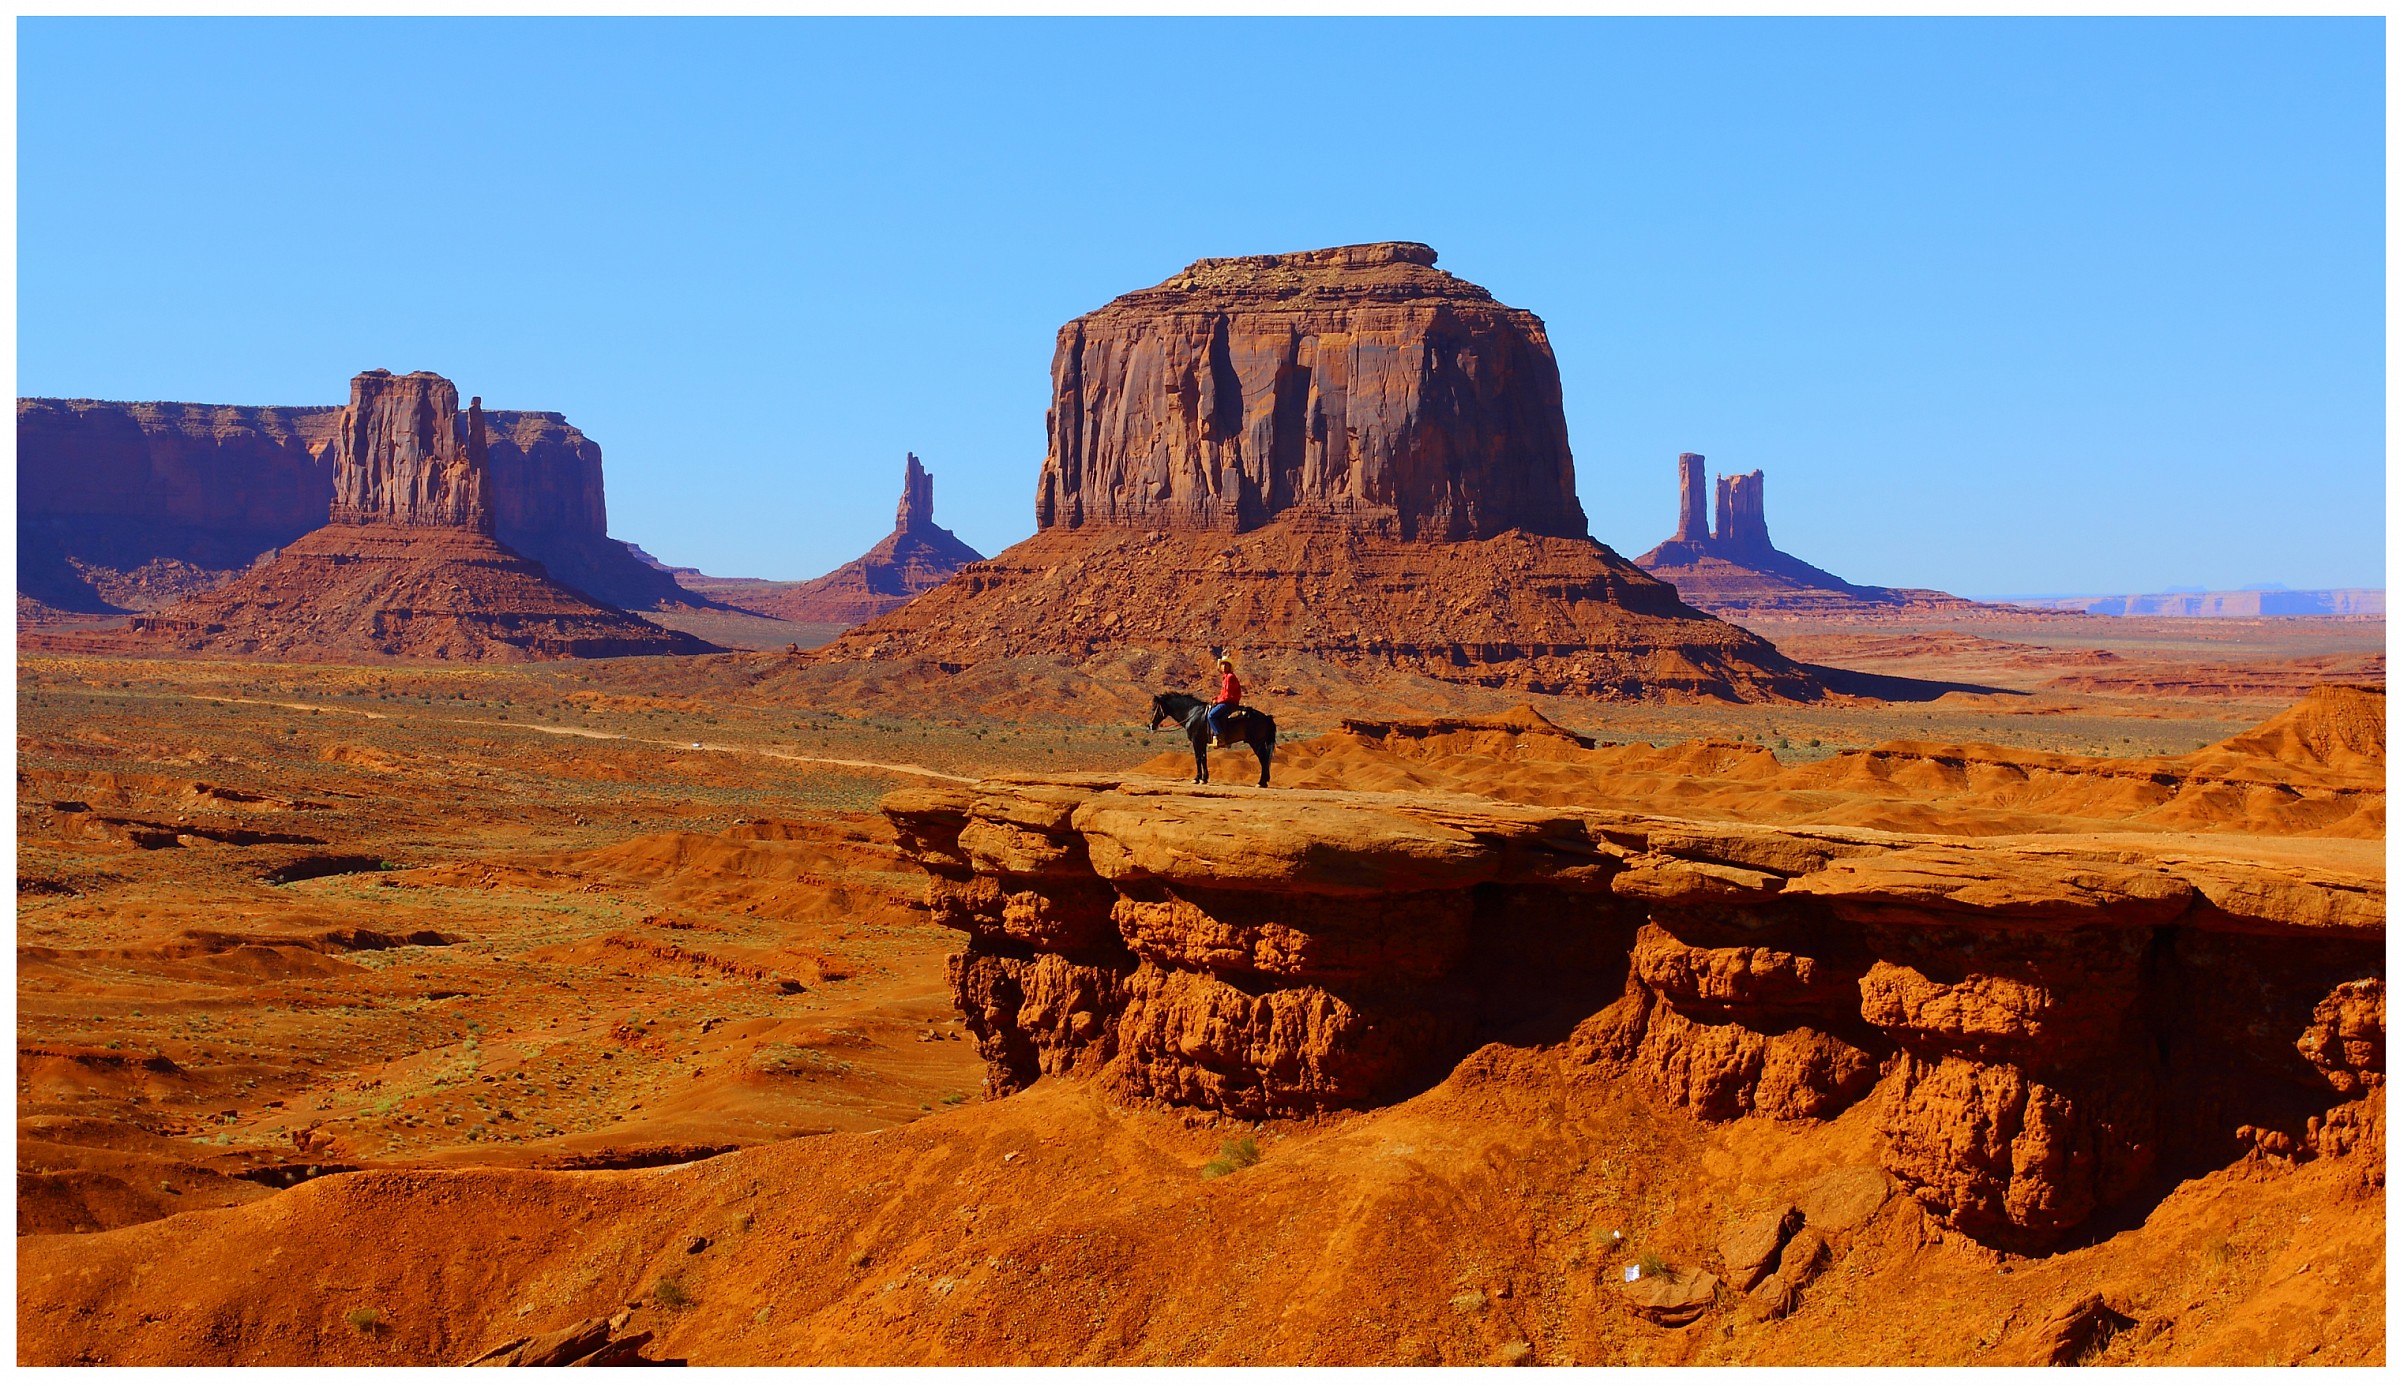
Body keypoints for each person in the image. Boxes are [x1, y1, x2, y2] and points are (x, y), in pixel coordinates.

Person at [1206, 655, 1242, 745]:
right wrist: (1216, 699)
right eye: (1223, 665)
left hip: (1229, 703)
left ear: (1230, 667)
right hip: (1227, 701)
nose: (1224, 666)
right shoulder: (1226, 677)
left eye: (1226, 665)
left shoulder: (1230, 677)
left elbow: (1227, 695)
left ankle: (1220, 737)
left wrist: (1218, 701)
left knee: (1211, 716)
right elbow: (1223, 693)